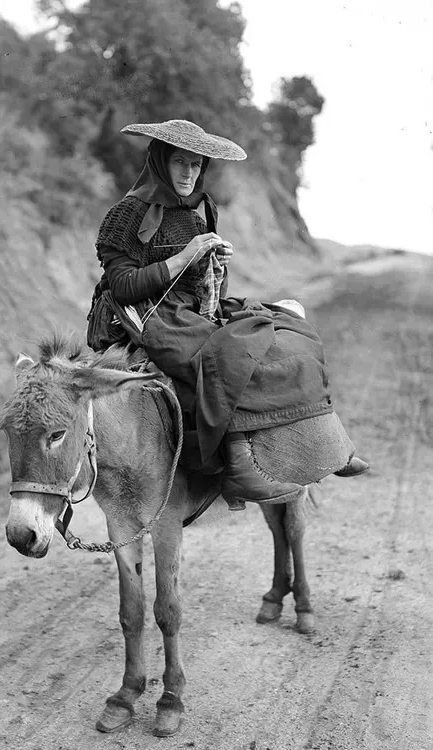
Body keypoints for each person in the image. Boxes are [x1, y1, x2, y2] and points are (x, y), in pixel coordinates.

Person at [87, 119, 369, 507]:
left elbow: (206, 286)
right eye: (181, 162)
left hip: (194, 309)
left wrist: (218, 266)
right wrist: (186, 256)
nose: (189, 172)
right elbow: (121, 286)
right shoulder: (126, 214)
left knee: (287, 328)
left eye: (196, 164)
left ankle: (324, 445)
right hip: (148, 315)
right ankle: (240, 466)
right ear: (161, 161)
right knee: (229, 353)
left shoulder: (200, 209)